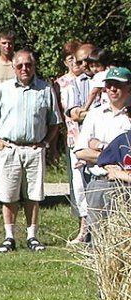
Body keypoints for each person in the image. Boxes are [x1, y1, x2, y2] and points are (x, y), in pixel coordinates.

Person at [0, 50, 61, 252]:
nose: (24, 69)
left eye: (28, 65)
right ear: (14, 68)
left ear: (34, 66)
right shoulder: (3, 90)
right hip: (10, 149)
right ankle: (9, 237)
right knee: (8, 195)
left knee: (33, 195)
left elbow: (55, 122)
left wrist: (45, 144)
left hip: (34, 150)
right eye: (20, 66)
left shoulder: (45, 89)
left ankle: (32, 236)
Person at [75, 67, 131, 236]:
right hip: (99, 182)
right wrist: (107, 157)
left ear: (129, 87)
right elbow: (80, 151)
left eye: (118, 85)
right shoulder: (95, 114)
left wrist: (98, 147)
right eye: (109, 85)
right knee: (97, 239)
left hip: (127, 184)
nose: (112, 89)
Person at [59, 41, 93, 243]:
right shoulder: (67, 84)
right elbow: (72, 113)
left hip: (96, 141)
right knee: (79, 185)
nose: (77, 64)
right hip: (75, 137)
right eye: (72, 59)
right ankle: (84, 229)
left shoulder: (100, 81)